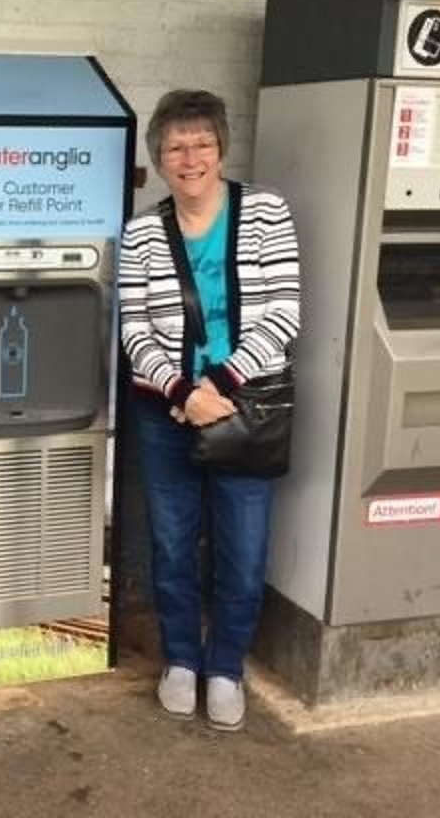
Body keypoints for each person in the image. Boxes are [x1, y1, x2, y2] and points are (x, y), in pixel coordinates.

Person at [118, 89, 300, 731]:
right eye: (175, 146)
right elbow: (134, 329)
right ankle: (181, 661)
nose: (189, 156)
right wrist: (180, 392)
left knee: (243, 550)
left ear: (221, 147)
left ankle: (225, 667)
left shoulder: (266, 213)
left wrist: (217, 385)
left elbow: (284, 312)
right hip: (166, 412)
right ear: (160, 159)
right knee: (171, 544)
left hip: (246, 409)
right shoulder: (142, 231)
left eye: (201, 143)